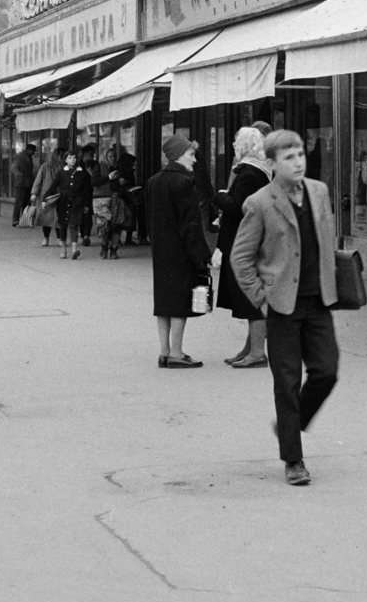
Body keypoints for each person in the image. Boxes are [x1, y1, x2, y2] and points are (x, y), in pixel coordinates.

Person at [230, 130, 340, 486]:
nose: (298, 162)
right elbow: (241, 257)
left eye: (300, 155)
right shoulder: (260, 202)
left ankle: (290, 424)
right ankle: (294, 460)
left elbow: (327, 237)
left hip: (318, 300)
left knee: (326, 371)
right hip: (282, 305)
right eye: (289, 157)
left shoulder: (319, 192)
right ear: (273, 163)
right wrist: (261, 299)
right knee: (287, 382)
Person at [145, 134, 211, 368]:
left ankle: (164, 352)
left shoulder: (153, 181)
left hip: (161, 251)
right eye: (191, 154)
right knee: (181, 303)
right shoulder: (184, 182)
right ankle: (177, 353)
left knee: (163, 301)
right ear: (178, 156)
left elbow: (149, 219)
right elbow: (190, 225)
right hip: (181, 252)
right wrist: (202, 256)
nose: (194, 160)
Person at [215, 125, 272, 367]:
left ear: (244, 147)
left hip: (244, 244)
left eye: (237, 144)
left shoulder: (249, 174)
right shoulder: (256, 172)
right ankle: (250, 348)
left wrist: (218, 196)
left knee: (250, 299)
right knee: (248, 298)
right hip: (248, 241)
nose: (235, 148)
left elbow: (238, 206)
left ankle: (257, 352)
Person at [54, 150, 93, 260]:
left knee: (74, 225)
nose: (72, 160)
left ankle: (74, 250)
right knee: (63, 225)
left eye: (74, 158)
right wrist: (44, 198)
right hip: (62, 202)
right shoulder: (61, 172)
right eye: (70, 158)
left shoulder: (83, 173)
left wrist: (86, 205)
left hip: (77, 202)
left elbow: (87, 191)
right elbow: (53, 185)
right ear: (66, 160)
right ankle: (63, 250)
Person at [31, 146, 62, 247]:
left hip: (60, 196)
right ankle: (46, 238)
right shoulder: (45, 166)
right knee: (46, 218)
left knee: (59, 218)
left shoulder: (65, 167)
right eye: (59, 155)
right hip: (47, 196)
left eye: (63, 155)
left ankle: (59, 238)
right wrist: (34, 194)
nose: (61, 157)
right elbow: (38, 180)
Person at [9, 141, 35, 228]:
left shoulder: (29, 157)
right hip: (21, 183)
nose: (34, 153)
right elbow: (13, 167)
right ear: (29, 150)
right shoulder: (20, 156)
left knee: (25, 201)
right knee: (19, 201)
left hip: (28, 183)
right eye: (33, 151)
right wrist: (19, 175)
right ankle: (15, 219)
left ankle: (23, 219)